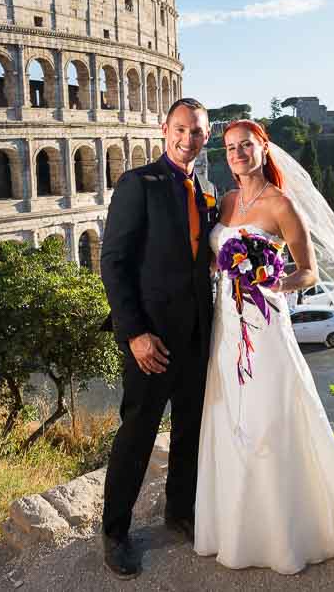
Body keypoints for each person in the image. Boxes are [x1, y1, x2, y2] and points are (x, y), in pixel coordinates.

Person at [196, 120, 334, 574]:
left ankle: (285, 535)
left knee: (269, 417)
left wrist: (271, 280)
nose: (237, 153)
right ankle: (236, 530)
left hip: (265, 323)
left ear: (263, 150)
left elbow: (309, 272)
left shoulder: (282, 205)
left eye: (246, 145)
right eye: (230, 147)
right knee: (229, 417)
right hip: (227, 326)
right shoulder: (224, 202)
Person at [99, 98, 218, 579]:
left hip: (197, 336)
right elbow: (114, 262)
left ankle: (180, 512)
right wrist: (134, 334)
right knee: (137, 433)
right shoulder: (138, 184)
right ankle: (115, 531)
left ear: (205, 138)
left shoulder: (206, 191)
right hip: (152, 338)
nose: (188, 139)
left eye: (197, 133)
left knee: (191, 429)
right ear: (164, 128)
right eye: (181, 129)